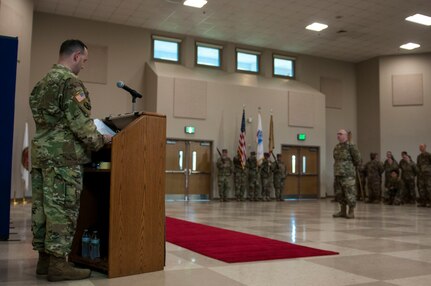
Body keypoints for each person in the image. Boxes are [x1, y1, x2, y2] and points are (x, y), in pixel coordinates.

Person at [30, 40, 112, 281]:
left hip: (41, 156)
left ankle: (44, 261)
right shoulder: (70, 82)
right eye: (84, 61)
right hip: (63, 158)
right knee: (61, 210)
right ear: (76, 56)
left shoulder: (41, 83)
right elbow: (81, 125)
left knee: (43, 209)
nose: (84, 66)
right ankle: (58, 264)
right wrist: (102, 140)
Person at [332, 129, 361, 219]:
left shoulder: (351, 146)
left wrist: (350, 168)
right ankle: (342, 211)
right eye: (337, 134)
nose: (338, 135)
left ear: (346, 136)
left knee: (350, 193)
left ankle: (351, 211)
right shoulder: (337, 147)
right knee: (339, 193)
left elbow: (357, 159)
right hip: (338, 174)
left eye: (340, 134)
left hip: (348, 174)